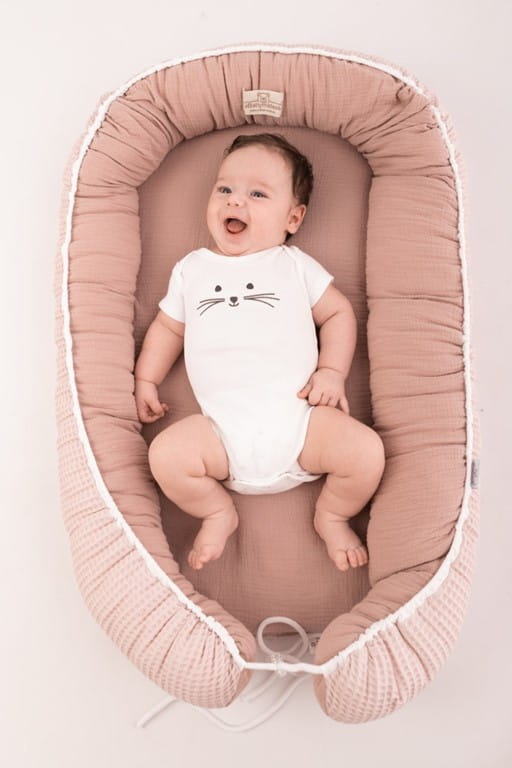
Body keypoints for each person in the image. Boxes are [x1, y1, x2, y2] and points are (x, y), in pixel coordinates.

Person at [134, 133, 385, 572]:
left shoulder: (293, 265)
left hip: (303, 424)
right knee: (165, 456)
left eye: (257, 194)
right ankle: (217, 511)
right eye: (225, 189)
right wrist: (146, 379)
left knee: (366, 453)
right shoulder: (192, 269)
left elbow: (338, 313)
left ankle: (332, 515)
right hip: (221, 435)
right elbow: (169, 328)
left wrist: (331, 372)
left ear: (293, 217)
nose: (235, 201)